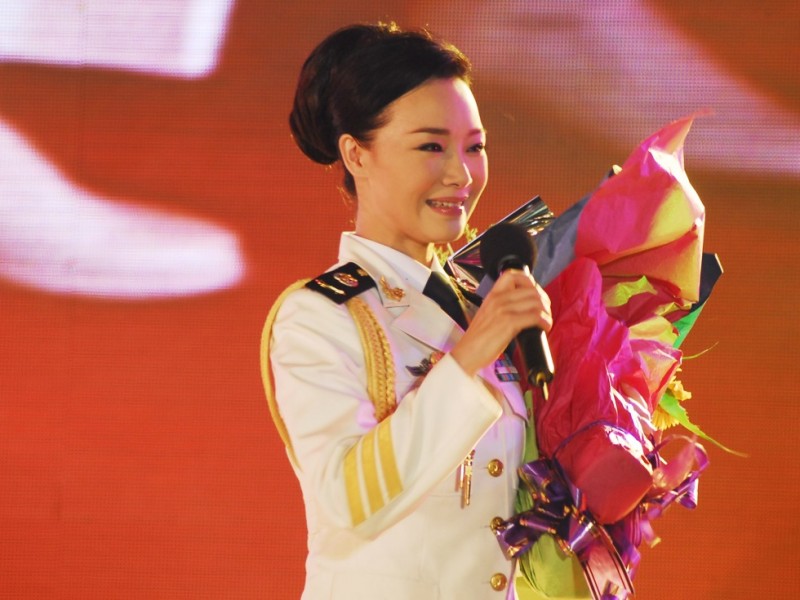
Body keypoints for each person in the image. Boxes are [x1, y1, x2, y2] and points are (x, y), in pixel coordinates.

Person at [261, 23, 554, 599]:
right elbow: (351, 502)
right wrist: (471, 354)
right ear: (356, 154)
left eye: (475, 147)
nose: (461, 174)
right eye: (431, 147)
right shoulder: (319, 316)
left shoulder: (481, 301)